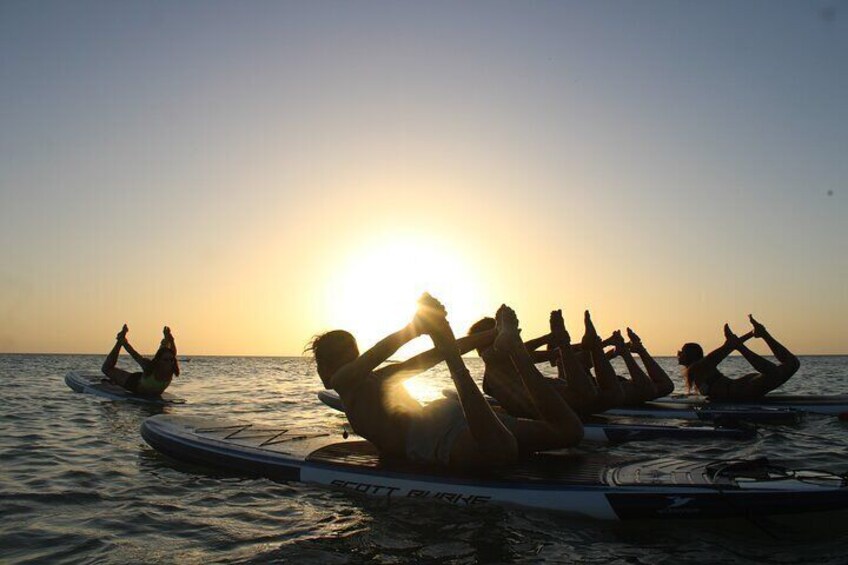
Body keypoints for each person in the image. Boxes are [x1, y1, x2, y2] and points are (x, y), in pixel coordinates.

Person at [309, 294, 583, 468]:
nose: (324, 373)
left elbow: (434, 352)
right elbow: (385, 357)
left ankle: (504, 347)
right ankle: (515, 352)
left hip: (433, 436)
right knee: (569, 431)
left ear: (329, 366)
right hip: (454, 418)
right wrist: (419, 329)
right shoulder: (370, 378)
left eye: (323, 363)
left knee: (502, 453)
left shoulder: (349, 381)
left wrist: (419, 328)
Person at [469, 310, 625, 418]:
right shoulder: (494, 363)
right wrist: (552, 338)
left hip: (564, 398)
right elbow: (500, 352)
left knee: (613, 396)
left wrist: (556, 339)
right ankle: (592, 348)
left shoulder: (515, 358)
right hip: (555, 405)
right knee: (594, 394)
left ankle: (593, 348)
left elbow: (543, 352)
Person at [679, 315, 800, 401]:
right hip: (743, 387)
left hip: (742, 391)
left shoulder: (697, 368)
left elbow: (727, 347)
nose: (678, 353)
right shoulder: (700, 367)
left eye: (682, 351)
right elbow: (730, 346)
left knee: (790, 365)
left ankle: (763, 334)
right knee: (792, 364)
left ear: (690, 355)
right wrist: (750, 334)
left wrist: (742, 341)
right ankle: (763, 334)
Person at [101, 325, 180, 396]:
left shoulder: (172, 368)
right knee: (106, 369)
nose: (169, 362)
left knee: (164, 348)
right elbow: (133, 354)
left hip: (145, 380)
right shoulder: (148, 366)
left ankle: (114, 381)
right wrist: (123, 342)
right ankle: (120, 340)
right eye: (166, 360)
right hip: (133, 383)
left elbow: (173, 353)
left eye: (171, 360)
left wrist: (170, 339)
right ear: (158, 361)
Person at [606, 328, 675, 404]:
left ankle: (638, 348)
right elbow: (593, 361)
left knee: (666, 386)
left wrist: (613, 346)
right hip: (598, 389)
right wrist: (606, 344)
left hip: (601, 386)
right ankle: (627, 351)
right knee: (648, 388)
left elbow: (595, 359)